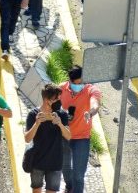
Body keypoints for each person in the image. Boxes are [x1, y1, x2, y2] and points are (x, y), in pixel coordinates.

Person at [60, 65, 101, 193]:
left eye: (81, 83)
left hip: (81, 138)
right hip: (64, 136)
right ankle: (69, 187)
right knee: (65, 169)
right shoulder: (61, 89)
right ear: (69, 81)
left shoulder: (91, 90)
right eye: (76, 84)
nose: (78, 86)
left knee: (78, 175)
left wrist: (91, 112)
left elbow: (95, 103)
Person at [25, 83, 71, 193]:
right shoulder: (33, 114)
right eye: (56, 99)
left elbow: (68, 136)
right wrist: (37, 123)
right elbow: (27, 139)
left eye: (59, 98)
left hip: (55, 162)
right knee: (36, 190)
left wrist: (60, 124)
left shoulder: (62, 115)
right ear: (46, 99)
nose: (59, 101)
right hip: (37, 162)